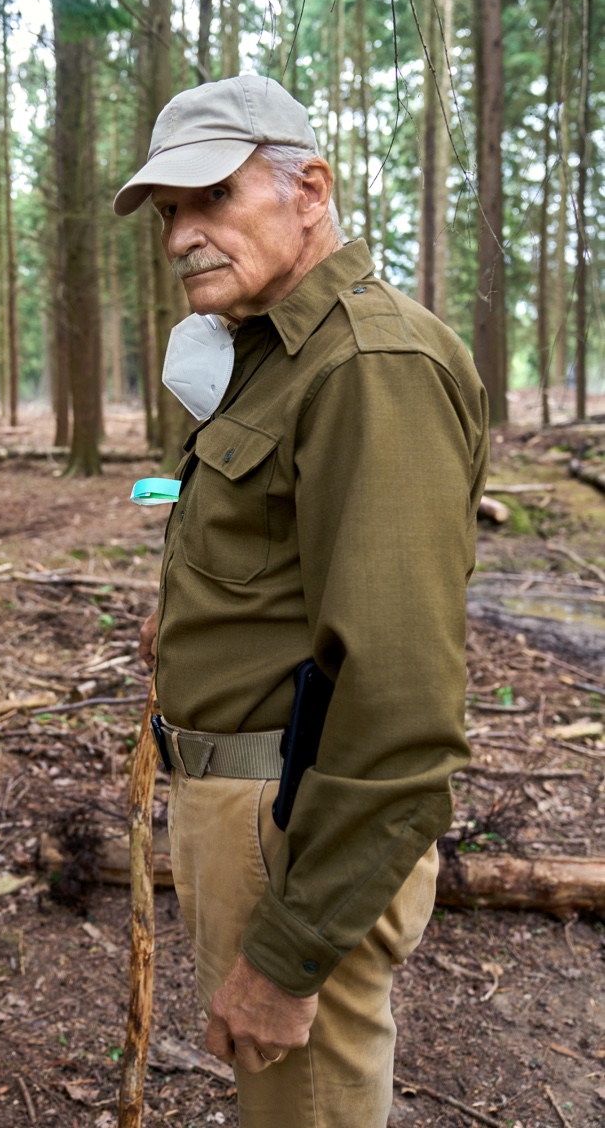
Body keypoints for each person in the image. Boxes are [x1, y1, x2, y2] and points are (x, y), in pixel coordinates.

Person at [115, 74, 489, 1128]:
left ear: (309, 187)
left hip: (292, 820)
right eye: (169, 211)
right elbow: (278, 562)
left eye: (213, 197)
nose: (183, 233)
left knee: (307, 1105)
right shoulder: (271, 352)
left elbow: (404, 705)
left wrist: (287, 956)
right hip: (243, 804)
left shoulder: (370, 364)